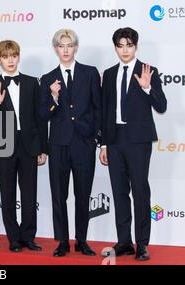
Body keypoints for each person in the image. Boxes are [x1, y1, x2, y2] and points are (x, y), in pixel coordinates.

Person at [100, 27, 167, 261]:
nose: (125, 50)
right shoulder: (108, 74)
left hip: (138, 141)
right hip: (114, 139)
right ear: (115, 48)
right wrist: (104, 145)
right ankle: (125, 242)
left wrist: (147, 87)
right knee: (119, 192)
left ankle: (142, 244)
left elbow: (162, 106)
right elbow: (105, 111)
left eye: (129, 45)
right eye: (120, 45)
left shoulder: (149, 71)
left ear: (136, 46)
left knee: (140, 191)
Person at [39, 29, 102, 257]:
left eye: (69, 45)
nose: (65, 49)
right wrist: (53, 98)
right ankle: (63, 241)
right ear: (55, 48)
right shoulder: (47, 79)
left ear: (75, 47)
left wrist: (97, 138)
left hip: (84, 143)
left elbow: (98, 108)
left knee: (83, 194)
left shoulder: (90, 73)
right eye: (61, 45)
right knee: (59, 194)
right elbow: (42, 115)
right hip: (58, 145)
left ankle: (82, 240)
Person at [0, 40, 48, 252]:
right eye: (5, 57)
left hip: (29, 145)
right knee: (7, 194)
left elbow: (40, 119)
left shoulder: (31, 83)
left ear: (18, 57)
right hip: (4, 145)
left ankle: (28, 237)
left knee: (29, 194)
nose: (10, 60)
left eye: (13, 56)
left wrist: (43, 148)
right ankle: (13, 238)